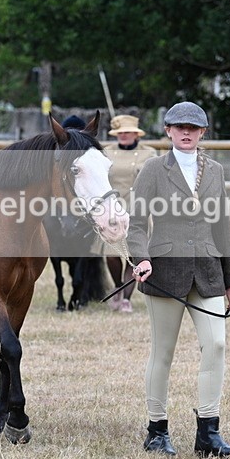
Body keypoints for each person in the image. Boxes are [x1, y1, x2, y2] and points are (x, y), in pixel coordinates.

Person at [127, 101, 230, 457]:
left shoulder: (216, 172)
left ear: (203, 132)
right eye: (180, 127)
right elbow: (135, 223)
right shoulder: (152, 169)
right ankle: (156, 431)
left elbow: (222, 226)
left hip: (207, 271)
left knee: (217, 345)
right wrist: (141, 258)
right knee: (163, 352)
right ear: (168, 131)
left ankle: (208, 434)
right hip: (164, 272)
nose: (187, 133)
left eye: (193, 128)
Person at [99, 115, 157, 313]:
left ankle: (126, 299)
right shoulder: (106, 153)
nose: (123, 135)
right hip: (112, 210)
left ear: (136, 133)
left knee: (134, 254)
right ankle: (117, 287)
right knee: (112, 254)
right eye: (119, 132)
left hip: (137, 210)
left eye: (127, 132)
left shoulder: (149, 154)